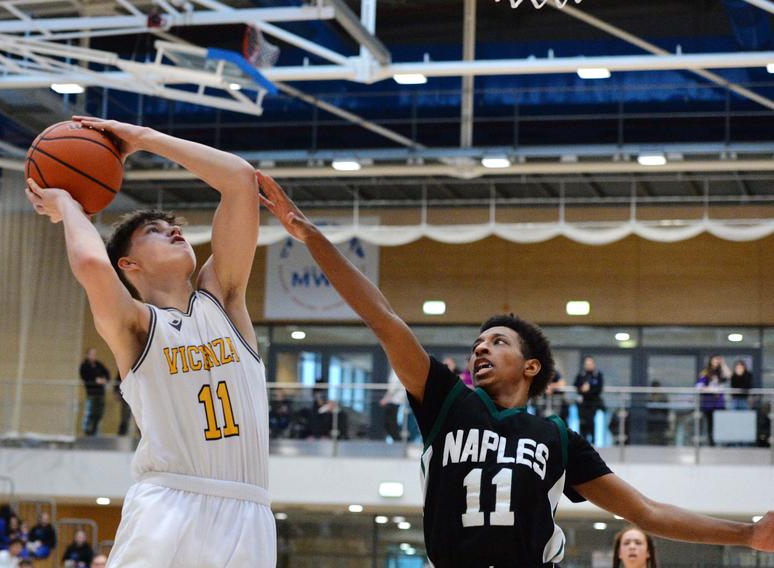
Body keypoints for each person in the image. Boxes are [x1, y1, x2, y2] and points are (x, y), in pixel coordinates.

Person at [257, 171, 774, 567]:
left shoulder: (558, 438)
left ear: (531, 366)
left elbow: (648, 514)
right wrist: (311, 236)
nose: (480, 349)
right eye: (477, 342)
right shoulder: (447, 401)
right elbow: (381, 317)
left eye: (497, 342)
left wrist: (747, 534)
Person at [25, 116, 275, 567]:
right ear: (129, 265)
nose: (174, 231)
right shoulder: (136, 324)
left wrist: (144, 139)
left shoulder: (224, 297)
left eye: (174, 226)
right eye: (154, 232)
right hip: (169, 506)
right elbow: (89, 262)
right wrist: (67, 204)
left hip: (249, 512)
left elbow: (239, 179)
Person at [697, 354, 728, 446]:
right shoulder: (705, 372)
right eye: (714, 360)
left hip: (719, 403)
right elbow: (699, 387)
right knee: (710, 424)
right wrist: (712, 390)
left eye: (717, 361)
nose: (716, 363)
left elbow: (729, 376)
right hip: (709, 404)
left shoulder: (720, 372)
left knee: (720, 424)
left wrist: (723, 364)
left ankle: (722, 443)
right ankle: (711, 443)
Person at [78, 349, 110, 436]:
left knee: (98, 413)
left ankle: (95, 430)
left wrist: (104, 380)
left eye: (94, 354)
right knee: (89, 412)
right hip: (91, 392)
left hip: (100, 392)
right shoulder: (84, 366)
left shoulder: (98, 364)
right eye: (92, 354)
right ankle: (87, 431)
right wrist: (95, 380)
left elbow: (107, 373)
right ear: (87, 355)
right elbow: (85, 376)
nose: (93, 356)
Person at [575, 356, 605, 444]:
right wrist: (582, 389)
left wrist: (589, 390)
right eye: (586, 364)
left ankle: (593, 441)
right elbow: (576, 385)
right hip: (583, 404)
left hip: (593, 403)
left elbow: (599, 389)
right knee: (582, 423)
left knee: (591, 422)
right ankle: (582, 442)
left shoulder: (598, 375)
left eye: (590, 364)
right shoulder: (581, 375)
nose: (588, 366)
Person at [379, 368, 407, 442]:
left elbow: (393, 387)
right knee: (390, 423)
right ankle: (397, 441)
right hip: (395, 400)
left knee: (390, 423)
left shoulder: (397, 369)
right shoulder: (397, 369)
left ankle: (398, 441)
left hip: (395, 400)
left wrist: (386, 398)